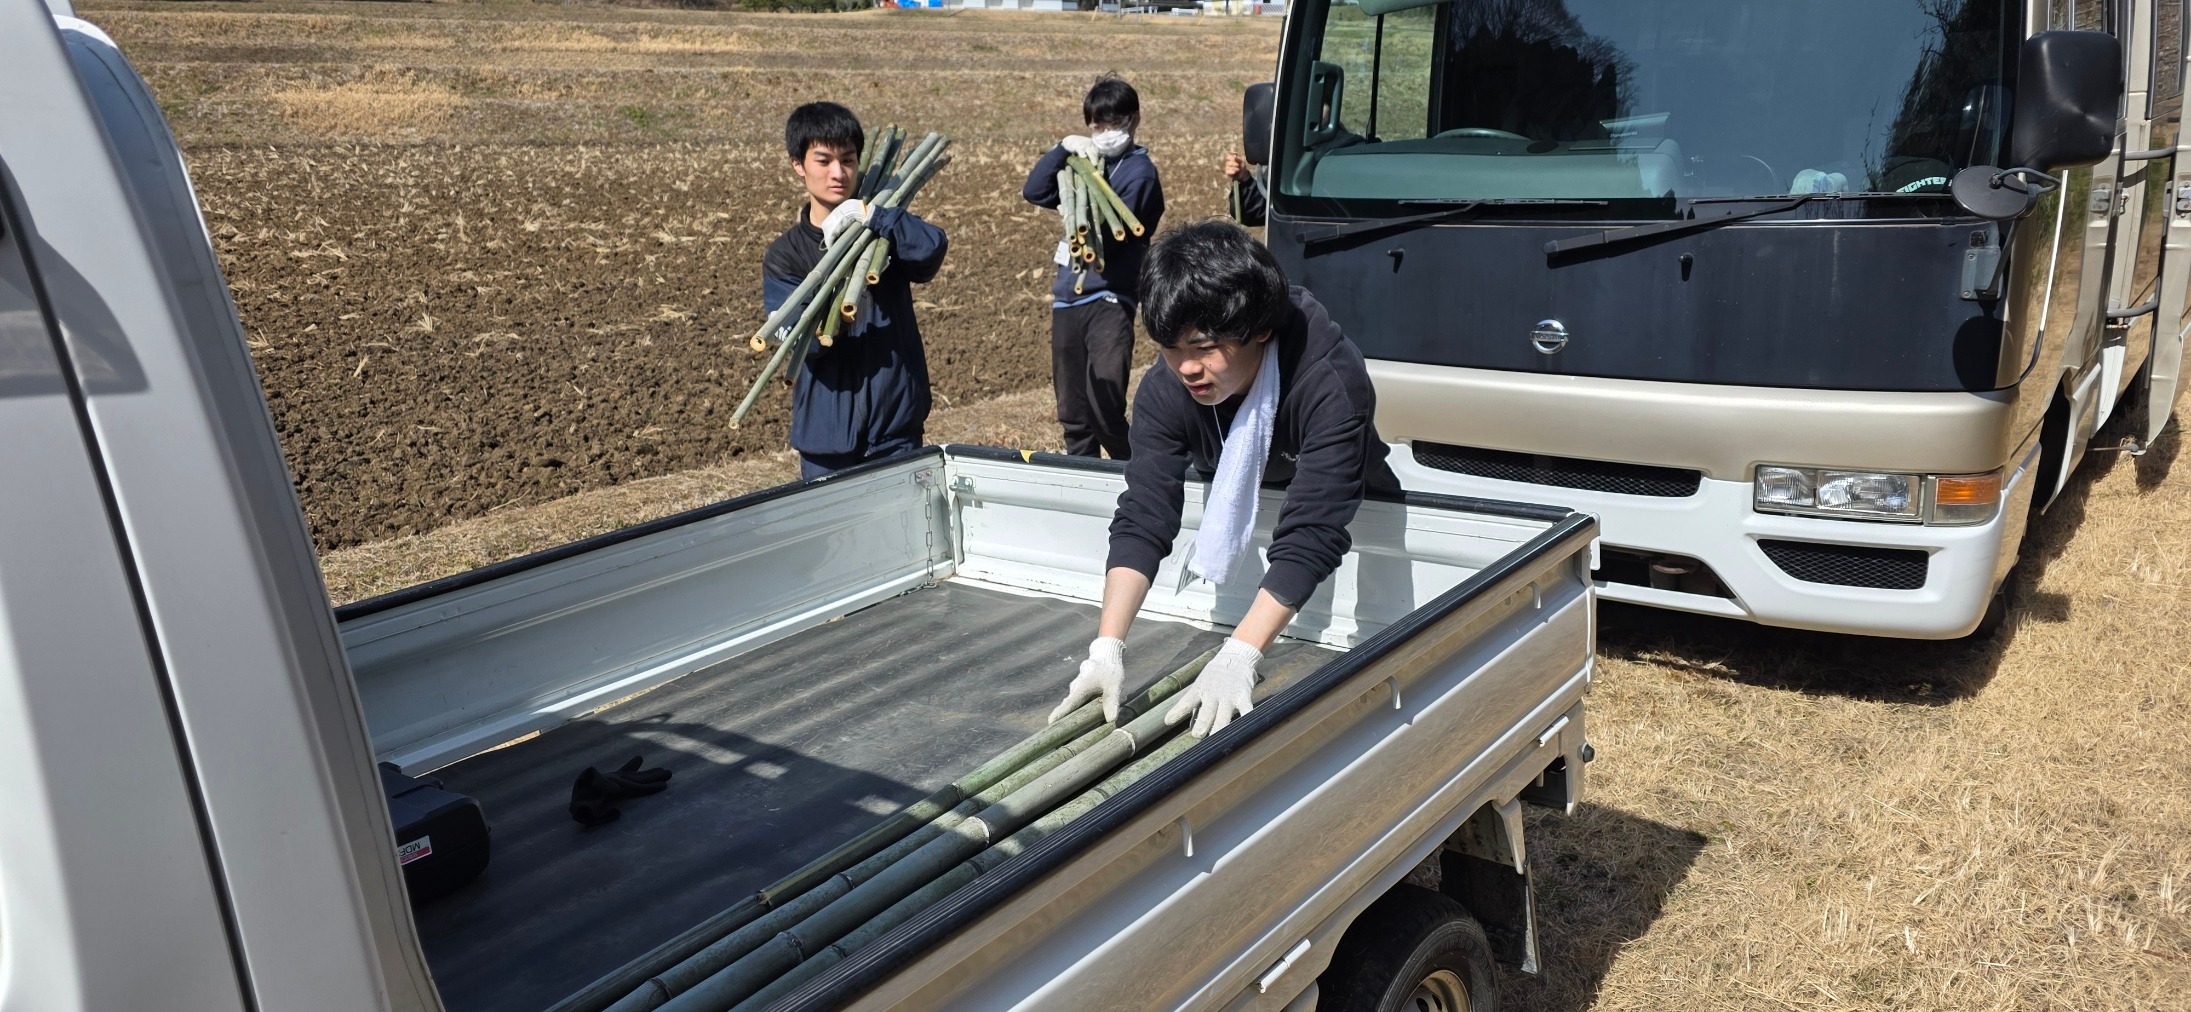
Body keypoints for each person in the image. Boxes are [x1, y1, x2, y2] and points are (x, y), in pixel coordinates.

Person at [1048, 221, 1400, 738]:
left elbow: (1314, 531)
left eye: (1204, 347)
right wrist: (1107, 647)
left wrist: (1239, 655)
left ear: (1260, 329)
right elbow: (1145, 512)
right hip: (1261, 531)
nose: (1187, 368)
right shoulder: (1168, 388)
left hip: (1353, 515)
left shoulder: (1329, 381)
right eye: (1170, 348)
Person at [762, 101, 949, 480]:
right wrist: (838, 281)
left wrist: (871, 217)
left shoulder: (882, 230)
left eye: (847, 160)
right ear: (798, 165)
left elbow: (931, 251)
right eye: (823, 161)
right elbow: (803, 343)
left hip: (896, 431)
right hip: (828, 440)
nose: (838, 173)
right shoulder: (786, 255)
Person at [1022, 77, 1166, 461]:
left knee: (1104, 409)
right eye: (1096, 126)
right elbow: (1034, 191)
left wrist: (1082, 201)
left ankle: (1136, 472)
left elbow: (1112, 236)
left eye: (1112, 124)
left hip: (1109, 298)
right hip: (1068, 298)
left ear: (1134, 120)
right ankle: (1081, 477)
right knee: (1073, 414)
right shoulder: (1080, 163)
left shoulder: (1140, 173)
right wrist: (1063, 148)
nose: (1104, 133)